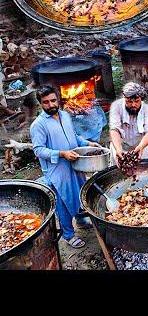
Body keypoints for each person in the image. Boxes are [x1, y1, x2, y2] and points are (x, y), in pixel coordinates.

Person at [30, 86, 102, 248]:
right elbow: (38, 150)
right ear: (41, 104)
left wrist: (87, 143)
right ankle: (68, 234)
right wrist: (62, 153)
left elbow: (73, 136)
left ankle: (81, 220)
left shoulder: (65, 115)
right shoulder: (38, 125)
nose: (50, 105)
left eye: (53, 100)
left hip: (75, 165)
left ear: (58, 99)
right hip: (58, 172)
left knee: (78, 194)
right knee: (63, 202)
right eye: (46, 102)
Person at [109, 82, 148, 167]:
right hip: (120, 146)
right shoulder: (116, 106)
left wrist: (141, 146)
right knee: (118, 175)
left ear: (141, 99)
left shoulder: (147, 109)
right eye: (129, 101)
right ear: (124, 98)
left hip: (140, 146)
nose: (133, 105)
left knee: (142, 174)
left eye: (137, 101)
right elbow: (114, 130)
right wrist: (118, 149)